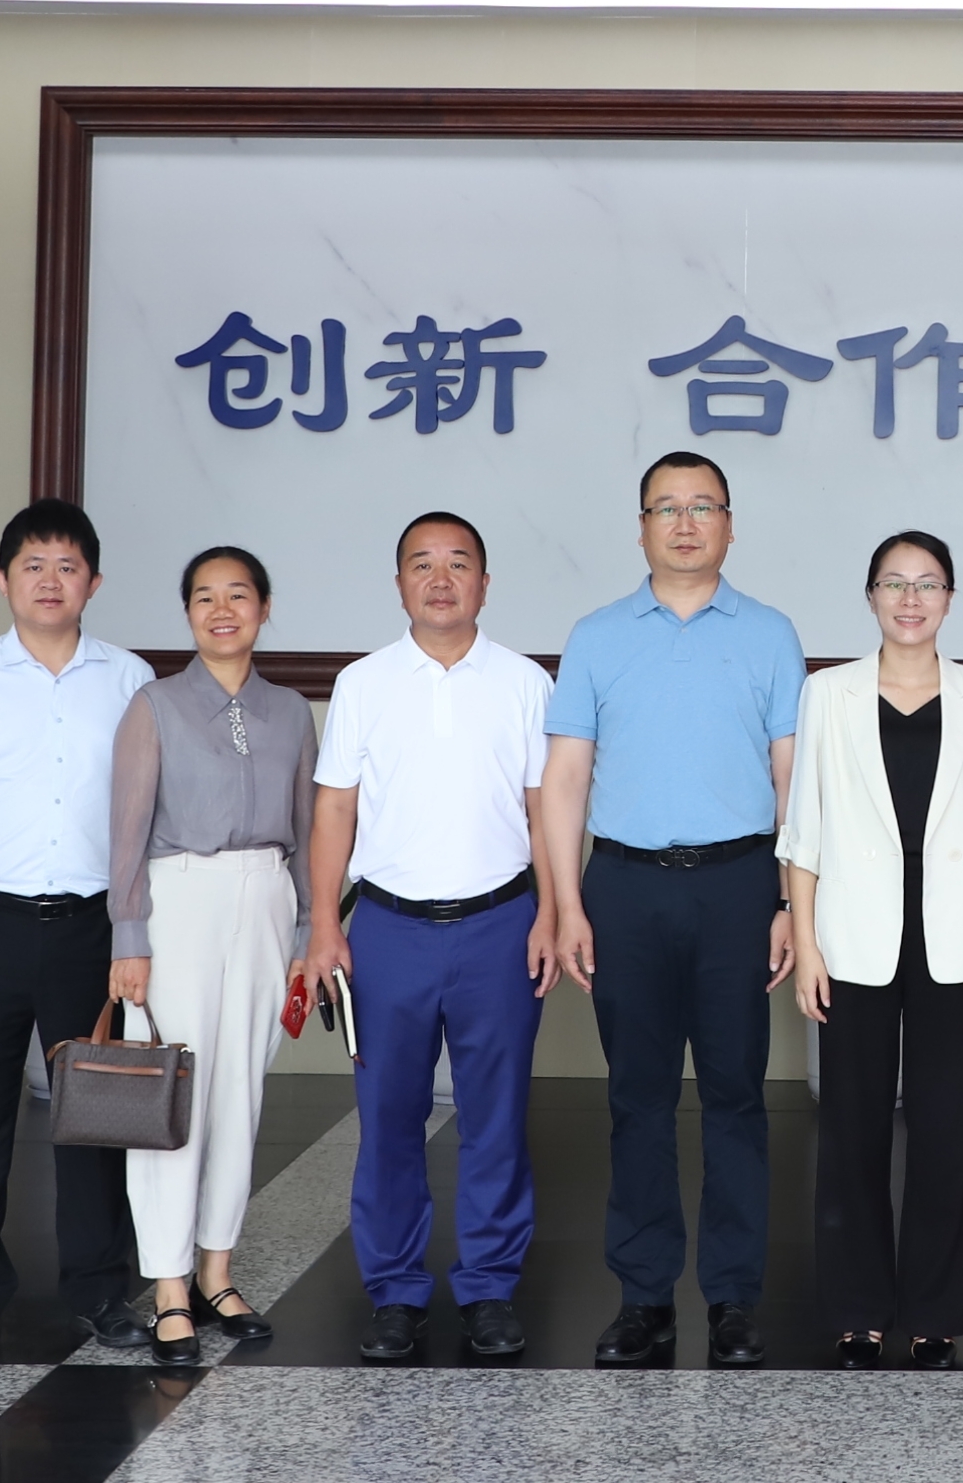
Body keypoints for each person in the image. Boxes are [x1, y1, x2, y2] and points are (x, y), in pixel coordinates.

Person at [545, 451, 808, 1371]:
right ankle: (643, 1297)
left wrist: (788, 899)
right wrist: (567, 904)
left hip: (739, 886)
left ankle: (733, 1299)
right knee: (637, 1097)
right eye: (667, 507)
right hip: (625, 887)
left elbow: (792, 779)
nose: (686, 523)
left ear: (730, 525)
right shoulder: (596, 636)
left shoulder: (769, 633)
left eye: (703, 507)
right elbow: (564, 780)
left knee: (736, 1095)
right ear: (642, 527)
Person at [308, 512, 561, 1365]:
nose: (441, 579)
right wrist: (322, 925)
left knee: (496, 1116)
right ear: (398, 584)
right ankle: (395, 1291)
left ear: (485, 583)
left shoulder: (524, 682)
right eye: (422, 564)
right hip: (388, 930)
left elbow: (545, 810)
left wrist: (552, 913)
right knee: (388, 1117)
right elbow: (334, 809)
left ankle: (488, 1286)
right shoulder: (363, 682)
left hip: (501, 924)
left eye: (458, 564)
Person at [0, 498, 153, 1360]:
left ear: (94, 581)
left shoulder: (129, 679)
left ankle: (99, 1288)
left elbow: (145, 818)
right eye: (33, 566)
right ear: (3, 578)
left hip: (90, 928)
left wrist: (133, 935)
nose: (50, 581)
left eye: (67, 567)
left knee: (95, 1119)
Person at [782, 530, 963, 1370]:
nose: (910, 599)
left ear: (949, 599)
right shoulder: (829, 693)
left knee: (944, 1129)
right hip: (853, 937)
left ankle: (932, 1313)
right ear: (870, 596)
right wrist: (805, 942)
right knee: (850, 1127)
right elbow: (803, 830)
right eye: (894, 583)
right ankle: (857, 1311)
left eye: (927, 584)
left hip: (954, 935)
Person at [107, 545, 316, 1368]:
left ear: (265, 608)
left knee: (239, 1091)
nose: (221, 610)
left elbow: (307, 833)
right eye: (204, 597)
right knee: (172, 1094)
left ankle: (217, 1274)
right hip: (179, 901)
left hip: (266, 898)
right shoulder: (154, 705)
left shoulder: (291, 711)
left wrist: (307, 934)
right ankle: (168, 1286)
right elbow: (126, 834)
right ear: (188, 612)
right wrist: (129, 937)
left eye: (237, 595)